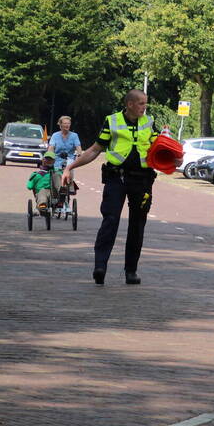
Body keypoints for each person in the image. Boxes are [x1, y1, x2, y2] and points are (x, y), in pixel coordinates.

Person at [62, 89, 175, 286]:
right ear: (130, 104)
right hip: (117, 178)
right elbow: (95, 149)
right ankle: (100, 266)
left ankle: (131, 270)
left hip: (142, 180)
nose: (144, 107)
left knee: (137, 225)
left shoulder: (148, 121)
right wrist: (70, 167)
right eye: (141, 104)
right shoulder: (112, 121)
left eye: (145, 104)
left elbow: (159, 147)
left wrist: (174, 155)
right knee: (110, 220)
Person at [49, 115, 82, 211]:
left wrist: (80, 154)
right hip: (57, 159)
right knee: (56, 173)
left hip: (69, 159)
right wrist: (49, 155)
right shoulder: (55, 135)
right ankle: (60, 190)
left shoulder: (74, 136)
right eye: (65, 123)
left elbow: (78, 147)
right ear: (60, 125)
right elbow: (51, 147)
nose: (67, 125)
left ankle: (69, 187)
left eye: (68, 123)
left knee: (70, 169)